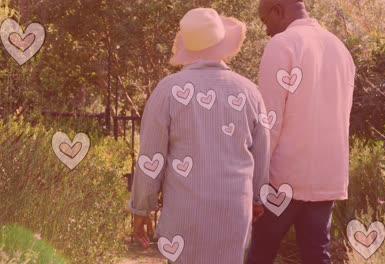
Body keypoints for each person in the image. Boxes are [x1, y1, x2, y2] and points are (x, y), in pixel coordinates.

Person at [127, 8, 270, 264]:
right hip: (234, 213)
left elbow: (151, 157)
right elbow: (261, 153)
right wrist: (258, 198)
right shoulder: (250, 92)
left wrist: (142, 208)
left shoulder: (167, 92)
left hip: (186, 215)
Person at [247, 0, 356, 263]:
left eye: (265, 21)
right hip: (327, 177)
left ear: (278, 11)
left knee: (261, 252)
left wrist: (255, 184)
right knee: (317, 254)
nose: (266, 30)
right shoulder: (340, 49)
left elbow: (268, 123)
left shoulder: (282, 44)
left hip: (283, 178)